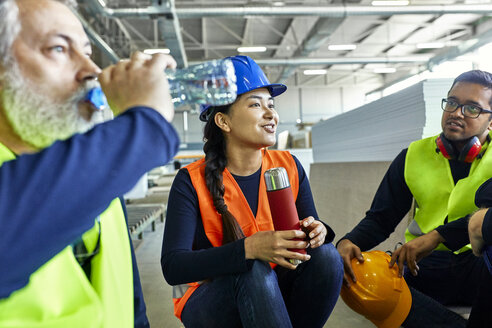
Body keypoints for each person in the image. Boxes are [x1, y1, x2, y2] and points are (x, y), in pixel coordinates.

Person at [0, 0, 179, 327]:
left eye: (86, 51)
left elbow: (131, 303)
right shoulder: (97, 168)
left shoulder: (95, 177)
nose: (91, 71)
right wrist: (145, 125)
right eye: (58, 48)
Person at [161, 55, 343, 328]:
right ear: (223, 121)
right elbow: (174, 267)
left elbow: (307, 239)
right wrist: (248, 249)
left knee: (327, 256)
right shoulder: (190, 181)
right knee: (252, 269)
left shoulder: (288, 166)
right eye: (256, 105)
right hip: (211, 300)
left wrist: (319, 231)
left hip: (272, 288)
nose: (271, 114)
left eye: (271, 104)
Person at [336, 70, 492, 327]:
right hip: (421, 264)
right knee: (359, 276)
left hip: (479, 264)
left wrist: (437, 235)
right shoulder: (412, 156)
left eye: (472, 108)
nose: (456, 112)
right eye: (452, 103)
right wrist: (348, 241)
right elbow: (381, 218)